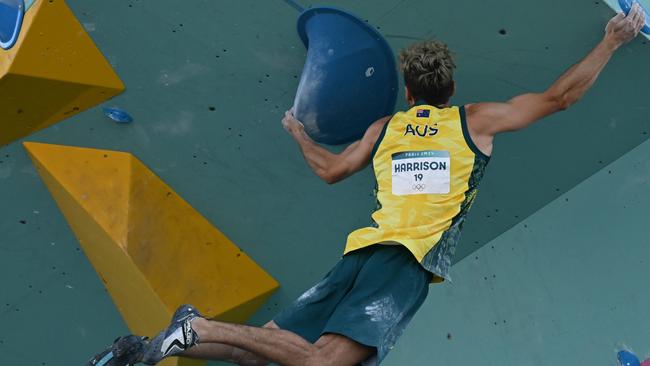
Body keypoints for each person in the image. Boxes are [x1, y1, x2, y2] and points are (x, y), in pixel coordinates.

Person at [88, 6, 646, 366]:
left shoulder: (385, 129)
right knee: (322, 365)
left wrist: (299, 133)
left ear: (407, 92)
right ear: (450, 89)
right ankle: (197, 326)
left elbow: (330, 171)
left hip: (359, 253)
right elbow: (559, 97)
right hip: (405, 262)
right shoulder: (473, 120)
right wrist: (613, 40)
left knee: (259, 356)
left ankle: (147, 348)